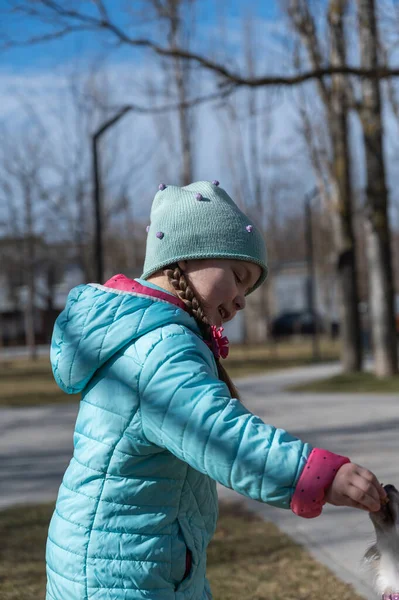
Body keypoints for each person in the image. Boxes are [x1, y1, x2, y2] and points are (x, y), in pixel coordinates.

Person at [46, 181, 386, 600]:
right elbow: (221, 434)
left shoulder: (151, 335)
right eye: (238, 277)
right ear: (185, 256)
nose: (242, 299)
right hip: (121, 573)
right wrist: (315, 474)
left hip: (133, 560)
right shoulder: (159, 349)